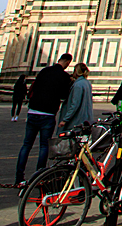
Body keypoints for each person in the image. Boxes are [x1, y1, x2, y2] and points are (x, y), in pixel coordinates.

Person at [15, 53, 73, 186]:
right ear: (68, 62)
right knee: (43, 146)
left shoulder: (44, 71)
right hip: (47, 115)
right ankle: (39, 176)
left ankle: (19, 178)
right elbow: (64, 95)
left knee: (26, 145)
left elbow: (35, 87)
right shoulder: (64, 76)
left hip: (33, 111)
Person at [58, 64, 94, 132]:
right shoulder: (87, 83)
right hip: (86, 119)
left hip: (76, 121)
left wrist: (65, 119)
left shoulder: (78, 85)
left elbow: (74, 104)